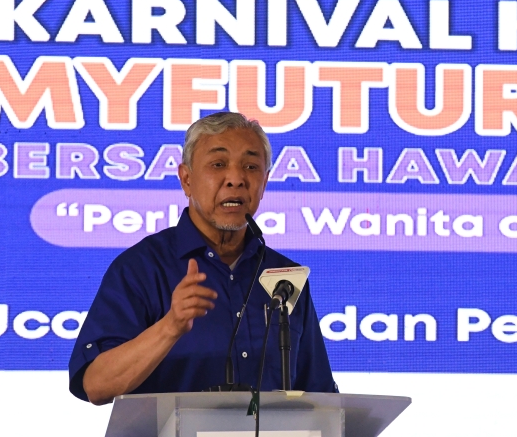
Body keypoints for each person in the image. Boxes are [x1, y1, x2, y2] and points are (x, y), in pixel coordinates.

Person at [69, 112, 337, 404]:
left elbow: (318, 395)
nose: (236, 179)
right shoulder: (142, 268)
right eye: (218, 165)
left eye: (250, 166)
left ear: (265, 182)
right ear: (186, 179)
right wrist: (170, 326)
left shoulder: (283, 276)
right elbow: (95, 385)